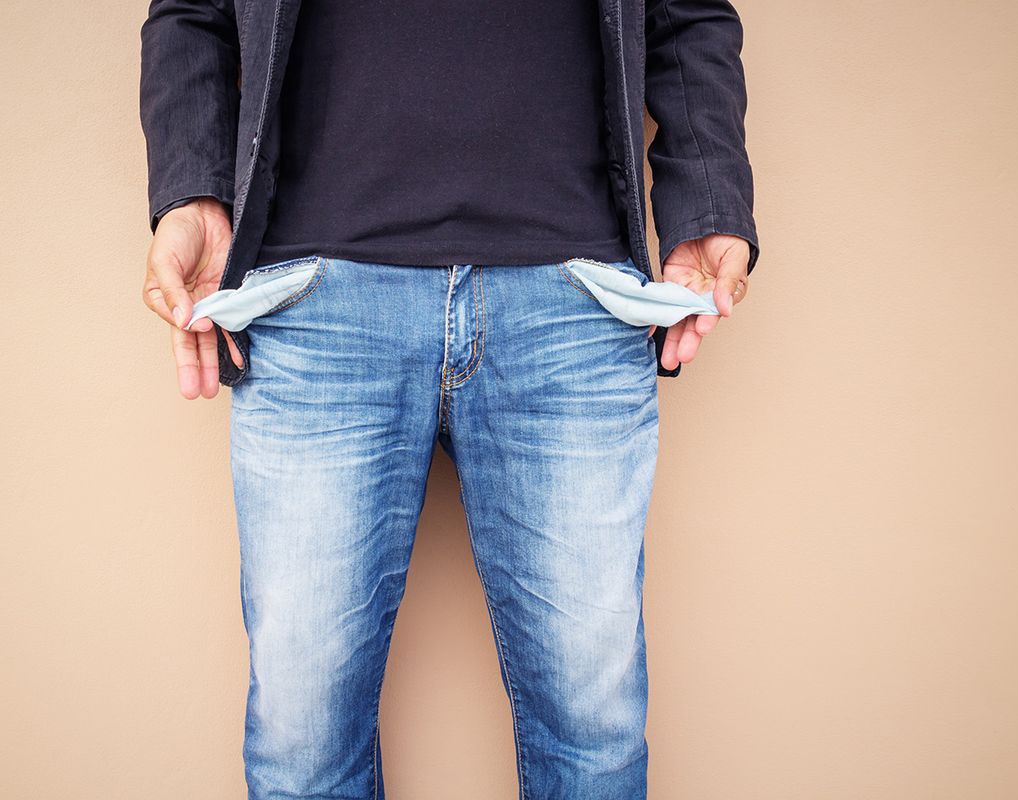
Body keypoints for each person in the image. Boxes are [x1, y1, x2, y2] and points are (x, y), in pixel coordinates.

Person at [138, 0, 758, 797]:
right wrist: (193, 194)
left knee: (594, 730)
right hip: (316, 305)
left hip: (572, 301)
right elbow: (191, 12)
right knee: (302, 742)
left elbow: (687, 15)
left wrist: (706, 202)